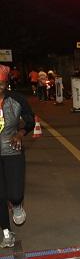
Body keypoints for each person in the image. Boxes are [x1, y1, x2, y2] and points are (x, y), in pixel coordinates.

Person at [0, 65, 35, 248]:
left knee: (14, 194)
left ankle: (17, 204)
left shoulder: (17, 100)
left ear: (6, 84)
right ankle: (6, 233)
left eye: (1, 84)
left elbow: (30, 120)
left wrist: (20, 134)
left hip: (12, 150)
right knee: (0, 195)